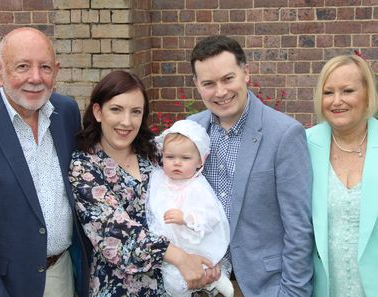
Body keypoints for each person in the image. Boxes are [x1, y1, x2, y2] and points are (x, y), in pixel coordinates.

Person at [69, 70, 217, 296]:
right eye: (116, 109)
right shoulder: (85, 166)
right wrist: (181, 258)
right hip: (121, 287)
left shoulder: (155, 153)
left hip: (178, 284)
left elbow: (194, 193)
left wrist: (206, 256)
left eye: (136, 112)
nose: (126, 122)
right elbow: (114, 234)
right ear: (98, 112)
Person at [188, 35, 314, 297]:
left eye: (228, 79)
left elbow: (298, 228)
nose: (220, 92)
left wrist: (292, 293)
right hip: (202, 284)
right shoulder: (191, 131)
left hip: (263, 286)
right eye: (209, 83)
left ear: (246, 73)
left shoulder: (284, 134)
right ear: (197, 85)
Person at [0, 27, 89, 297]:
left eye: (45, 67)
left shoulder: (66, 112)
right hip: (4, 283)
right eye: (22, 66)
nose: (36, 78)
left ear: (56, 71)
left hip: (63, 273)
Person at [306, 55, 378, 297]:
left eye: (347, 90)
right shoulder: (305, 144)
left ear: (367, 94)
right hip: (323, 288)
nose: (337, 101)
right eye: (328, 92)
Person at [146, 119, 233, 297]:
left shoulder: (197, 186)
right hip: (170, 242)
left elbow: (211, 215)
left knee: (205, 261)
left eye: (185, 158)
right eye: (170, 157)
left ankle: (215, 280)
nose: (177, 163)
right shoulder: (158, 179)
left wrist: (186, 218)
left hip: (194, 238)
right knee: (173, 278)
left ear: (199, 162)